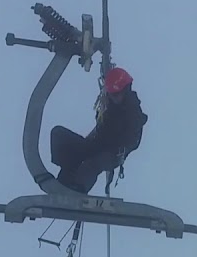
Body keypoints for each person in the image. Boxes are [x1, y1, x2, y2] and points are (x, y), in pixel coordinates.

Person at [50, 66, 148, 194]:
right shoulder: (109, 105)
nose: (114, 98)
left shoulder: (133, 113)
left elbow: (133, 140)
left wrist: (118, 144)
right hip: (99, 145)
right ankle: (67, 174)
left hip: (113, 153)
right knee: (59, 134)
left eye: (116, 94)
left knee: (92, 164)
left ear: (126, 91)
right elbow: (101, 131)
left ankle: (78, 190)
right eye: (111, 94)